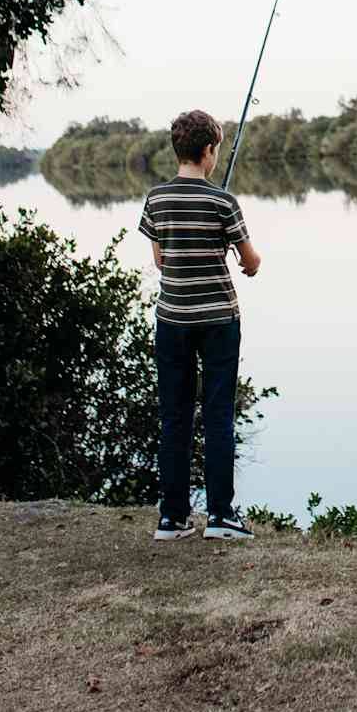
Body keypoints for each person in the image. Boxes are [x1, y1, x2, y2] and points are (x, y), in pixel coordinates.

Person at [139, 109, 262, 541]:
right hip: (218, 322)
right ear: (209, 152)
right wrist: (240, 259)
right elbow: (251, 261)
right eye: (216, 150)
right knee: (217, 415)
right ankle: (221, 516)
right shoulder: (223, 202)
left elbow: (160, 258)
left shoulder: (155, 199)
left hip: (172, 319)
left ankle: (171, 518)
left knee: (174, 417)